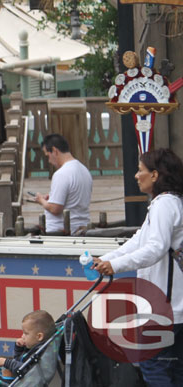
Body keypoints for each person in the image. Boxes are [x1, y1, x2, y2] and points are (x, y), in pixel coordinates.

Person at [93, 148, 183, 384]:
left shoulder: (164, 204)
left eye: (140, 170)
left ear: (154, 175)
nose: (136, 175)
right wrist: (107, 259)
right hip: (175, 307)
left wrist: (115, 265)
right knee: (174, 368)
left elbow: (155, 248)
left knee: (153, 366)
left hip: (164, 307)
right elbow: (138, 241)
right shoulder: (173, 202)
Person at [0, 311, 58, 387]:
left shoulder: (40, 352)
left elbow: (26, 369)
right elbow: (19, 360)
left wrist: (6, 362)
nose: (22, 336)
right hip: (22, 377)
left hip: (27, 381)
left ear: (39, 337)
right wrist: (19, 349)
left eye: (26, 333)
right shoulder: (35, 347)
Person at [34, 133, 92, 235]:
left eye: (48, 156)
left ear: (55, 151)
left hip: (61, 232)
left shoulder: (61, 174)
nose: (49, 161)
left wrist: (41, 200)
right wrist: (51, 198)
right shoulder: (84, 170)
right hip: (82, 227)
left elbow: (55, 208)